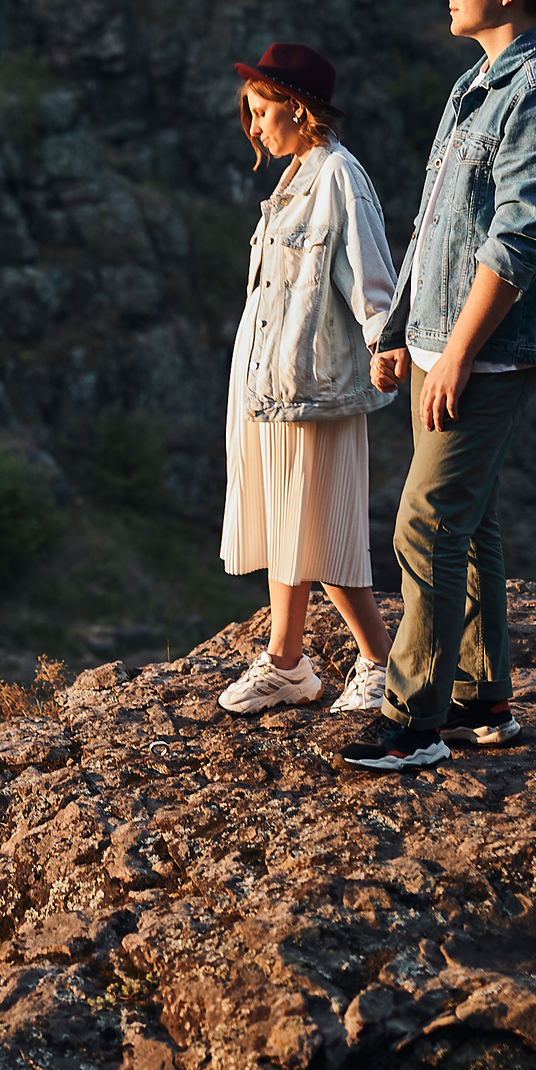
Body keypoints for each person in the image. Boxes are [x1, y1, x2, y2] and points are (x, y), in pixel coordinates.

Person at [338, 0, 536, 774]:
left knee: (428, 519)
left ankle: (414, 722)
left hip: (488, 349)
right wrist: (403, 330)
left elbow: (517, 242)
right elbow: (437, 224)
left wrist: (454, 354)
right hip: (442, 337)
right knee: (470, 520)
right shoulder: (472, 86)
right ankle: (484, 701)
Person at [214, 42, 402, 717]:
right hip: (271, 383)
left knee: (323, 529)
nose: (255, 126)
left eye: (262, 112)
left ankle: (383, 662)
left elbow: (370, 274)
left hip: (315, 387)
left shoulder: (338, 177)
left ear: (298, 109)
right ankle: (289, 661)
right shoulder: (294, 178)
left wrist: (386, 343)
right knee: (287, 524)